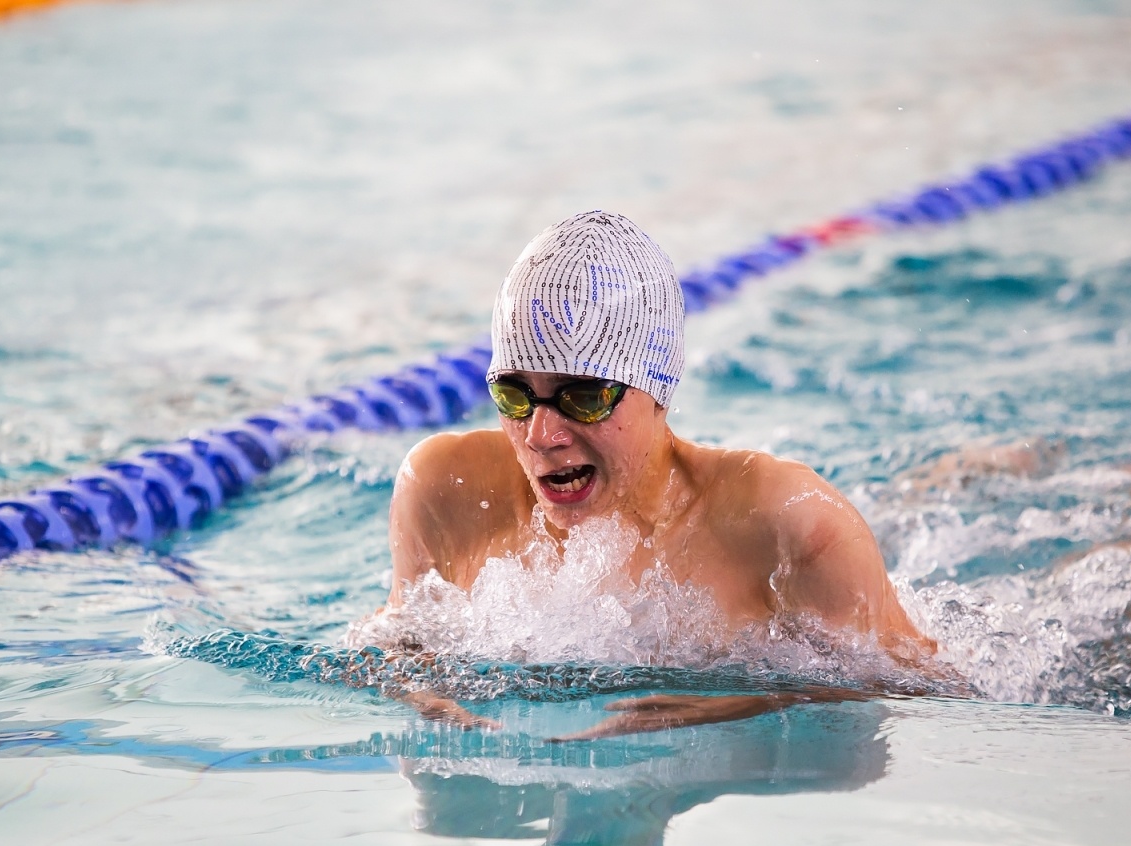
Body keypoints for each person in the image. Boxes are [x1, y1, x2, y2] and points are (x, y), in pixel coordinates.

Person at [383, 210, 936, 733]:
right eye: (515, 394)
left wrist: (742, 706)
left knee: (912, 509)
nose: (540, 436)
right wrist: (414, 690)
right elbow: (393, 642)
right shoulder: (442, 490)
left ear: (658, 390)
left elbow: (929, 691)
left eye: (585, 397)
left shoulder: (794, 528)